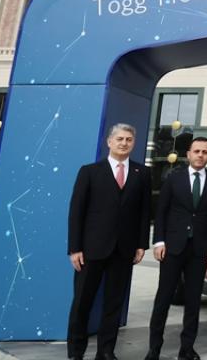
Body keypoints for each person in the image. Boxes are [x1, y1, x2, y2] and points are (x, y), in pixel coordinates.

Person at [66, 123, 150, 360]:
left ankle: (106, 351)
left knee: (114, 304)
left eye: (129, 139)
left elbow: (145, 211)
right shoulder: (90, 171)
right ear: (109, 142)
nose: (124, 143)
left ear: (133, 143)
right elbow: (76, 212)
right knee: (82, 303)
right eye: (120, 139)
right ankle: (76, 351)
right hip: (91, 249)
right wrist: (75, 248)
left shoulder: (142, 173)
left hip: (124, 250)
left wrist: (141, 244)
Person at [146, 136, 207, 360]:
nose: (200, 155)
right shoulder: (173, 178)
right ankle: (154, 348)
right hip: (172, 248)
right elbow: (161, 211)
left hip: (199, 249)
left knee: (193, 301)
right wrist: (159, 241)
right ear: (188, 154)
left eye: (205, 152)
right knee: (163, 299)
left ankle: (187, 348)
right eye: (196, 151)